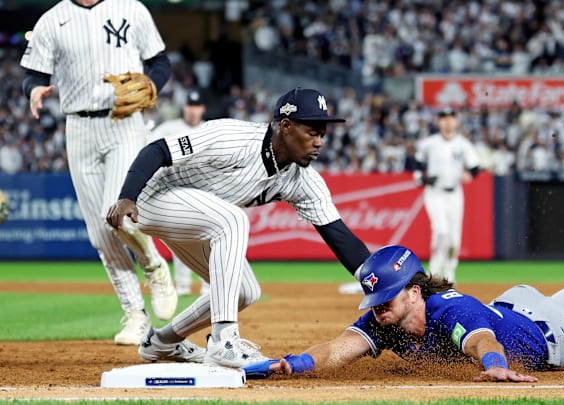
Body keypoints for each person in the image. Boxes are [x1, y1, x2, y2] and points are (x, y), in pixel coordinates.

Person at [105, 87, 372, 368]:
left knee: (245, 292)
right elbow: (158, 149)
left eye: (322, 135)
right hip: (151, 197)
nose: (319, 142)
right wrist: (128, 196)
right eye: (312, 132)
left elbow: (341, 238)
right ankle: (224, 341)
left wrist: (385, 286)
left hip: (197, 217)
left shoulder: (303, 180)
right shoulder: (233, 137)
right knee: (232, 220)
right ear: (286, 125)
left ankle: (161, 342)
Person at [248, 231, 564, 382]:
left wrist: (494, 364)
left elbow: (480, 339)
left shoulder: (449, 309)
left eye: (385, 299)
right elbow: (341, 347)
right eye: (373, 301)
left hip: (557, 340)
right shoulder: (386, 319)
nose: (377, 309)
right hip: (518, 306)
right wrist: (295, 364)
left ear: (414, 292)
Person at [20, 0, 177, 345]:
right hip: (78, 128)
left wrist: (153, 84)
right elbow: (34, 74)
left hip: (124, 123)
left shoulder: (131, 9)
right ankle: (136, 314)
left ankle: (153, 265)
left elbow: (159, 62)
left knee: (116, 212)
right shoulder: (53, 20)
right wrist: (33, 89)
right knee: (100, 236)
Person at [148, 89, 211, 296]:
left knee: (206, 239)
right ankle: (182, 285)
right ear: (184, 108)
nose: (193, 110)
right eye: (190, 106)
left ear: (203, 108)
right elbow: (148, 147)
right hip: (175, 190)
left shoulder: (210, 129)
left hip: (203, 190)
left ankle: (209, 285)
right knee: (180, 239)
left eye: (197, 106)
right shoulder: (169, 128)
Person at [414, 107, 481, 284]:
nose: (447, 121)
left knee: (454, 240)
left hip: (455, 193)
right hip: (435, 193)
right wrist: (421, 177)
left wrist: (471, 175)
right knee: (441, 231)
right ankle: (434, 274)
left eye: (451, 117)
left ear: (456, 121)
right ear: (438, 122)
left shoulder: (463, 144)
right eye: (443, 118)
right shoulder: (429, 143)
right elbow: (416, 164)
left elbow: (475, 166)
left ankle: (449, 274)